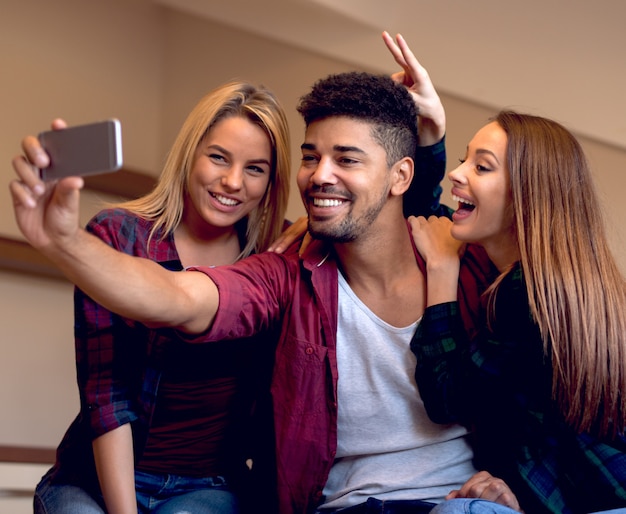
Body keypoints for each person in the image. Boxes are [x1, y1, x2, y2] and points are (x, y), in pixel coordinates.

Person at [11, 34, 521, 514]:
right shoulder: (289, 271)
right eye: (311, 157)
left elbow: (549, 379)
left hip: (458, 501)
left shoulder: (464, 259)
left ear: (400, 176)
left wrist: (431, 134)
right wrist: (65, 241)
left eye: (345, 158)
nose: (320, 174)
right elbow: (180, 297)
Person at [30, 81, 294, 514]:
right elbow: (106, 398)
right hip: (93, 482)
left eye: (255, 168)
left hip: (206, 485)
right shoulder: (118, 235)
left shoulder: (277, 254)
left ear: (271, 181)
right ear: (190, 153)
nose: (232, 182)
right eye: (218, 157)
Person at [409, 111, 626, 514]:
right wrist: (430, 135)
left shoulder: (524, 293)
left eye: (481, 166)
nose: (457, 175)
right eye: (462, 159)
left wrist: (441, 272)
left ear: (525, 195)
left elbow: (446, 399)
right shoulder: (569, 280)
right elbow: (423, 217)